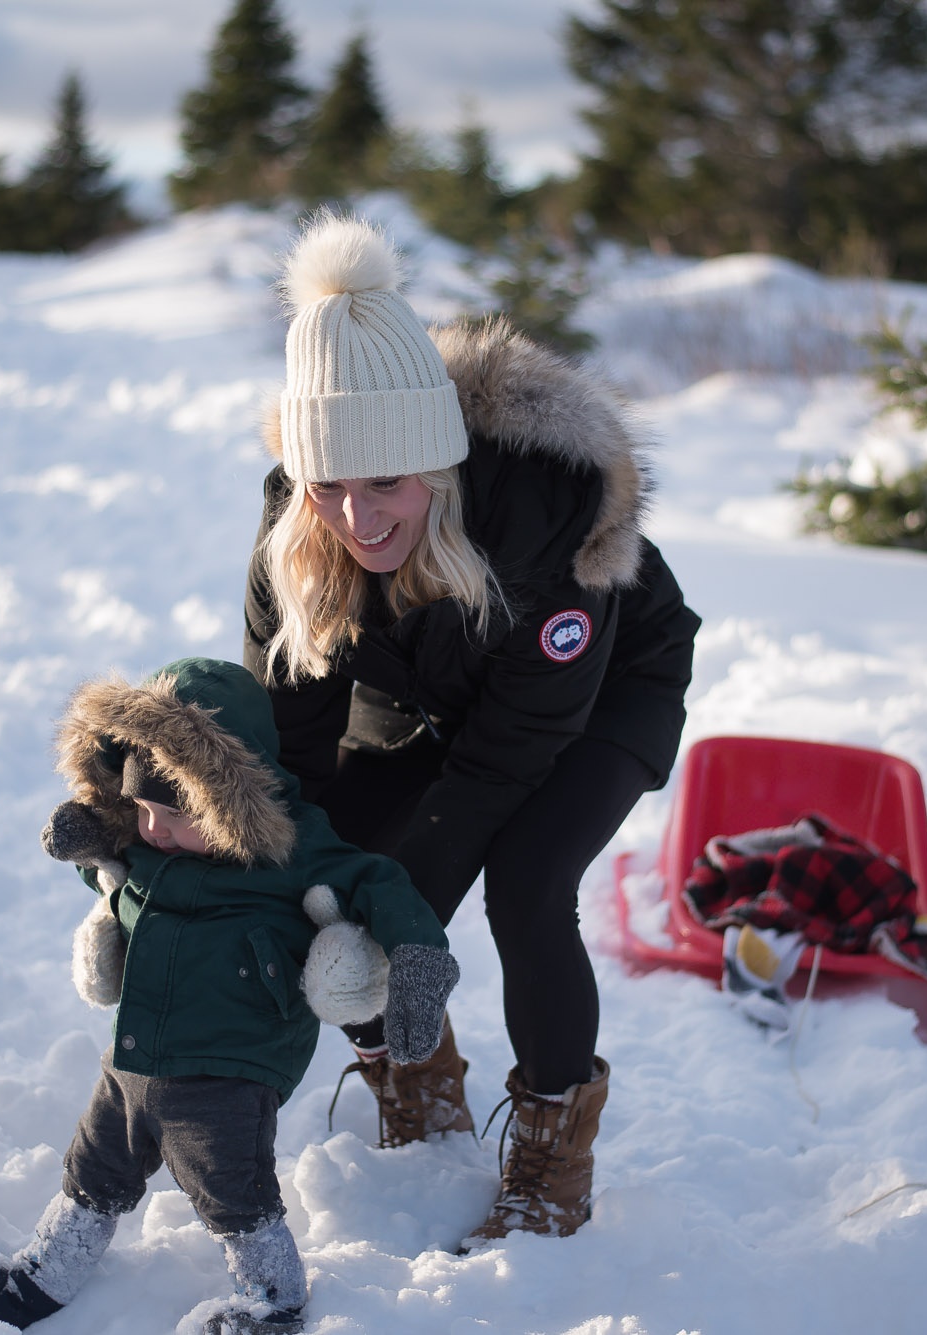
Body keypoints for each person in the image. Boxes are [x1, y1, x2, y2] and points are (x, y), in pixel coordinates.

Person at [241, 216, 701, 1246]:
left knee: (525, 885)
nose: (355, 518)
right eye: (329, 488)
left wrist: (404, 924)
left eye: (385, 487)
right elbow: (289, 728)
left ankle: (551, 1152)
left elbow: (506, 760)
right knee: (334, 881)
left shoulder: (543, 527)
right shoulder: (302, 521)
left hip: (594, 692)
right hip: (428, 679)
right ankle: (416, 1077)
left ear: (437, 469)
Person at [0, 657, 458, 1335]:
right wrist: (96, 847)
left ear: (223, 798)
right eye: (141, 810)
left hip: (227, 1069)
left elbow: (378, 883)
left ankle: (272, 1300)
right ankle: (38, 1280)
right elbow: (122, 890)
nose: (154, 829)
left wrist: (418, 961)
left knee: (235, 1194)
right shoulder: (152, 849)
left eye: (171, 814)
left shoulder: (293, 852)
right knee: (90, 1175)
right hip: (132, 1059)